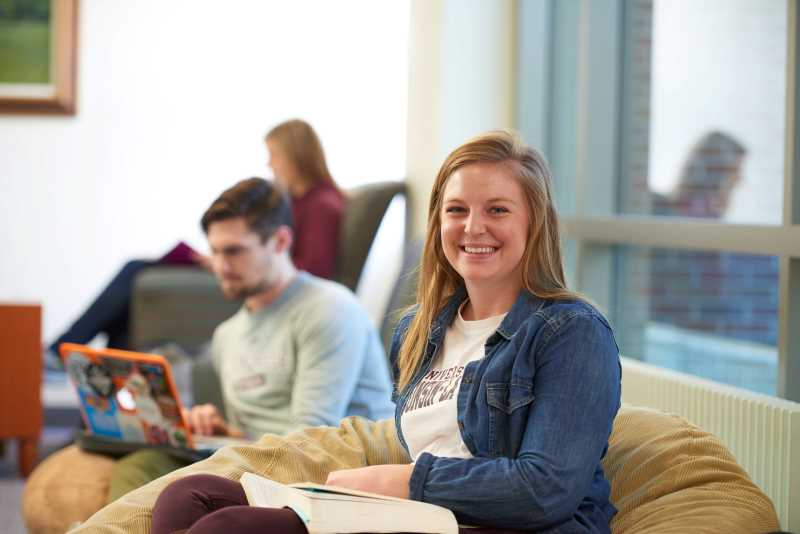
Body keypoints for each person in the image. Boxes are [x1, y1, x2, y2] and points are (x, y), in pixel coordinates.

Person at [73, 130, 621, 534]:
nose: (473, 227)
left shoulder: (569, 332)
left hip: (488, 525)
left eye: (497, 209)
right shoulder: (420, 328)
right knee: (187, 498)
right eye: (457, 210)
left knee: (225, 530)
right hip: (414, 514)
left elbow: (545, 491)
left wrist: (405, 484)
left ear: (534, 221)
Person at [105, 177, 393, 500]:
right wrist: (219, 429)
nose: (221, 267)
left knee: (186, 486)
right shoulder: (227, 335)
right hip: (259, 462)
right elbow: (251, 431)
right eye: (214, 252)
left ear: (281, 241)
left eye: (234, 251)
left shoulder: (330, 310)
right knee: (141, 464)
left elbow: (310, 441)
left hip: (330, 471)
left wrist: (230, 446)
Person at [46, 119, 344, 362]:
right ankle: (92, 365)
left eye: (274, 155)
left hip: (263, 280)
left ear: (296, 155)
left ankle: (64, 350)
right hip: (255, 273)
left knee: (136, 272)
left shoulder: (321, 206)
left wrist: (227, 259)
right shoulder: (296, 202)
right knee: (137, 279)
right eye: (219, 250)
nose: (270, 164)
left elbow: (311, 270)